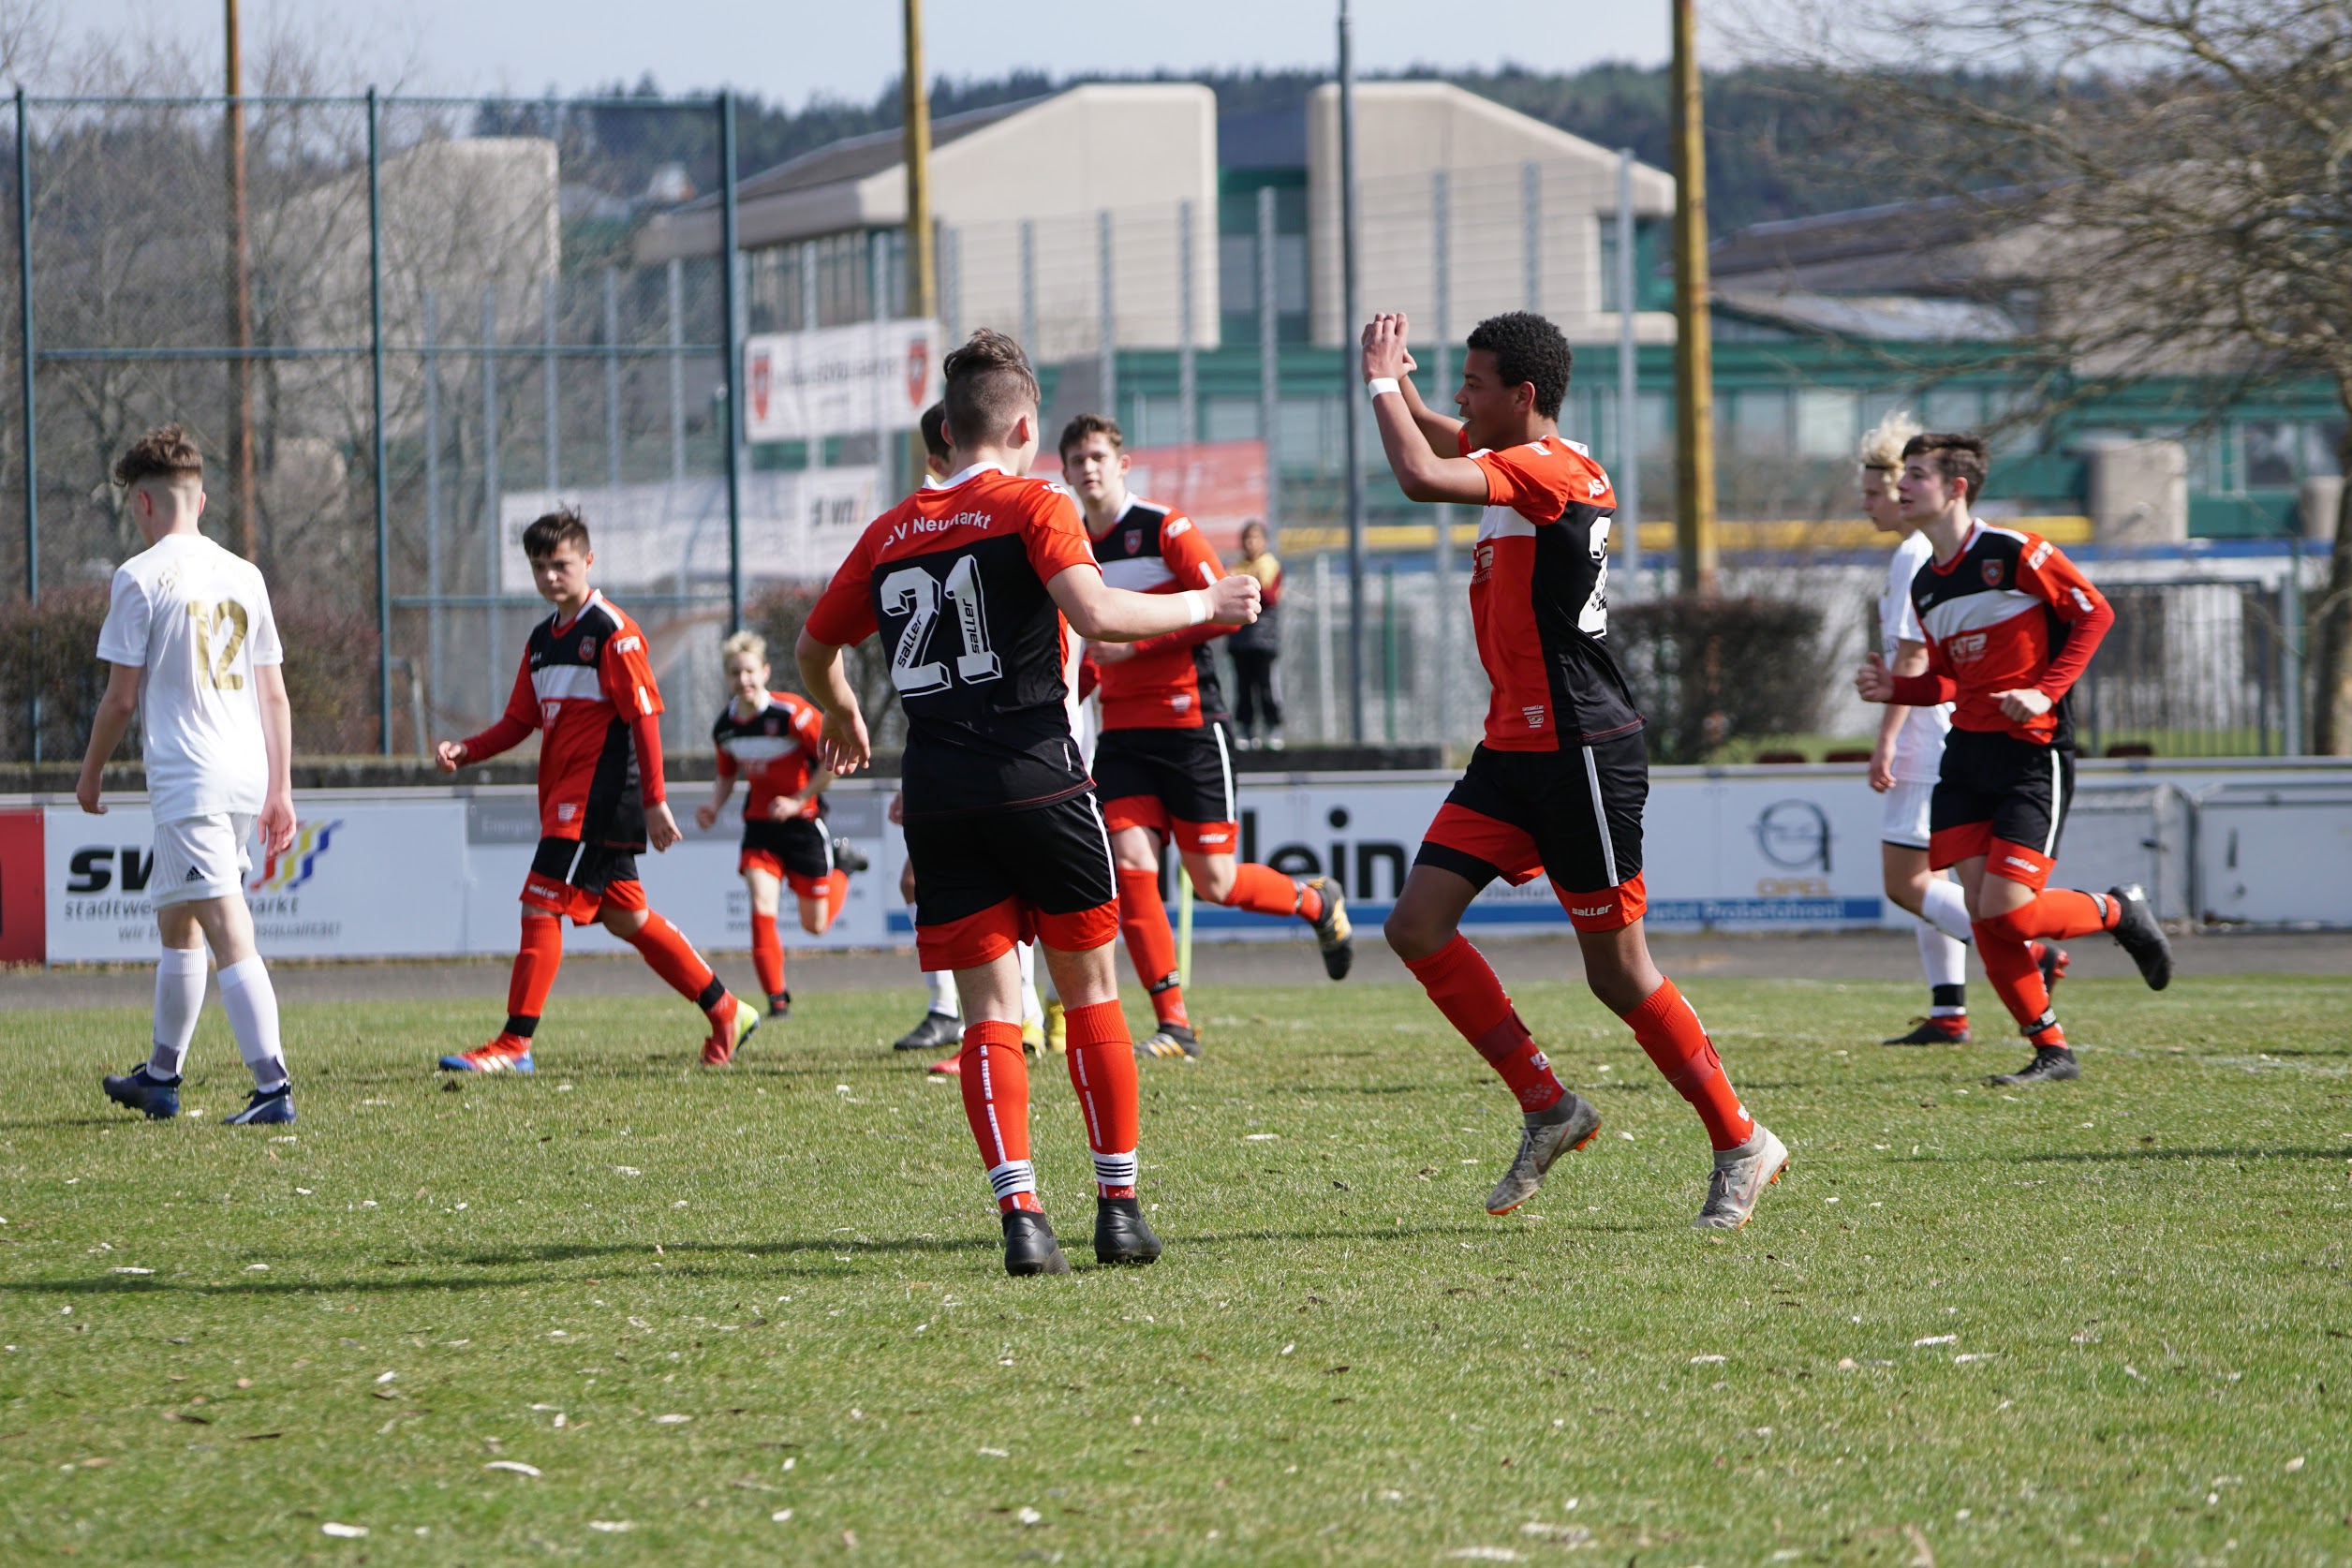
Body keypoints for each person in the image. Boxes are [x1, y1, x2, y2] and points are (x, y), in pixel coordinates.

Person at [796, 329, 1261, 1277]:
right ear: (1021, 425)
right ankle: (1118, 1209)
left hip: (936, 793)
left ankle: (1021, 1217)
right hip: (1039, 778)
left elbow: (813, 648)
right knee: (1090, 992)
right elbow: (1097, 615)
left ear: (950, 426)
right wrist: (1202, 609)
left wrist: (844, 716)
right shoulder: (1035, 501)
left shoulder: (887, 531)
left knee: (988, 1012)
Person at [1362, 308, 1788, 1231]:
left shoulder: (1550, 474)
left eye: (1474, 385)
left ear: (1523, 396)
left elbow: (1420, 470)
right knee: (1417, 925)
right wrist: (1409, 392)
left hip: (1581, 752)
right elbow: (1449, 439)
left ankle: (1741, 1139)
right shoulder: (1525, 462)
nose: (1460, 401)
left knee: (1620, 972)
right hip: (1512, 751)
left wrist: (1377, 384)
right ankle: (1550, 1105)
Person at [1857, 432, 2172, 1087]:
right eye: (1903, 474)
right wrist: (1896, 689)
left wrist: (2043, 691)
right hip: (1965, 757)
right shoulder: (1927, 583)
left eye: (1916, 475)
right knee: (1983, 914)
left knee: (2008, 912)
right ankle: (2051, 1051)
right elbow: (1944, 680)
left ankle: (2117, 910)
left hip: (2031, 755)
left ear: (1955, 488)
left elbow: (2095, 614)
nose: (1901, 486)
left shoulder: (2015, 551)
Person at [1059, 413, 1353, 1061]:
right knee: (1132, 867)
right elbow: (1085, 652)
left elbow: (1228, 609)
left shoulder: (1166, 528)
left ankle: (1314, 901)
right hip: (1123, 737)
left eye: (1098, 456)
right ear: (1064, 470)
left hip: (1192, 728)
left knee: (1214, 882)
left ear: (1122, 463)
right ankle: (1174, 1026)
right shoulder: (1068, 545)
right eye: (1076, 459)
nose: (1088, 468)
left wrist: (1136, 646)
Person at [435, 507, 758, 1072]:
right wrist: (469, 749)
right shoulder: (541, 640)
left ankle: (515, 1044)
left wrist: (656, 801)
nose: (549, 577)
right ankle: (725, 1007)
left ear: (588, 560)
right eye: (539, 567)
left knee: (540, 902)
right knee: (625, 918)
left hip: (596, 802)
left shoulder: (612, 630)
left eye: (560, 564)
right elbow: (520, 721)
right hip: (568, 798)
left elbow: (645, 717)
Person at [82, 425, 299, 1127]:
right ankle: (161, 1076)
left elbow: (120, 698)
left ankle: (272, 1087)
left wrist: (90, 776)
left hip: (190, 778)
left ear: (142, 505)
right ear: (199, 500)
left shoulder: (138, 577)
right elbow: (273, 694)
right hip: (242, 772)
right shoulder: (245, 573)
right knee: (178, 922)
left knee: (225, 924)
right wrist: (280, 787)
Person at [1857, 410, 2068, 1046]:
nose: (1875, 502)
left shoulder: (1917, 555)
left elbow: (1912, 656)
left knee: (1907, 882)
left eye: (1882, 489)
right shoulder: (1929, 553)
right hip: (1949, 731)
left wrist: (1887, 734)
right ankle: (1949, 1008)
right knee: (1940, 877)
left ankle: (2032, 951)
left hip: (1931, 737)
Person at [891, 401, 1047, 1063]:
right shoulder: (1022, 512)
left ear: (942, 449)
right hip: (982, 751)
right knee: (943, 885)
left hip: (1027, 749)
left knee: (1026, 900)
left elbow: (816, 646)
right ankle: (984, 1018)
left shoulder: (907, 534)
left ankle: (1009, 1020)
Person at [695, 630, 854, 1020]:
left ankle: (844, 866)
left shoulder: (792, 713)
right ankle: (777, 999)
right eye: (734, 673)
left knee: (814, 926)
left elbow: (833, 759)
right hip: (760, 827)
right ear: (727, 678)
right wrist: (714, 806)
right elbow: (727, 773)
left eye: (749, 670)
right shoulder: (725, 727)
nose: (743, 679)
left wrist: (799, 800)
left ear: (764, 672)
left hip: (803, 826)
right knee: (760, 904)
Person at [1226, 521, 1285, 749]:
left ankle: (1273, 727)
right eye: (1247, 539)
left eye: (1255, 538)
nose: (1251, 544)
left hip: (1264, 640)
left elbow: (1269, 597)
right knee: (1243, 688)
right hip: (1240, 640)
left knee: (1267, 686)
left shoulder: (1270, 565)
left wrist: (1248, 585)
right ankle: (1246, 728)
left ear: (1264, 542)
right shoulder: (1237, 567)